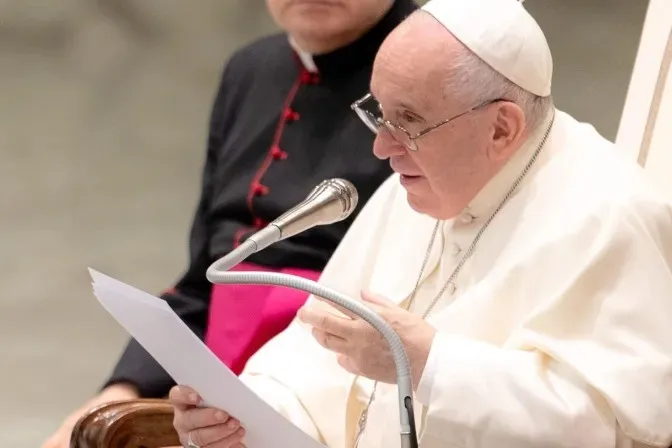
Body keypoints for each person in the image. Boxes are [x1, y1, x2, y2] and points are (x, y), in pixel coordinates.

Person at [168, 0, 672, 447]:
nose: (381, 148)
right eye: (378, 114)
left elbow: (609, 428)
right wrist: (242, 415)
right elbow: (310, 357)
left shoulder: (610, 216)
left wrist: (430, 364)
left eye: (407, 122)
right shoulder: (410, 190)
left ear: (502, 127)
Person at [42, 1, 418, 447]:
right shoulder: (251, 70)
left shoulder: (436, 67)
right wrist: (120, 390)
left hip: (344, 394)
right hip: (215, 389)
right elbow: (204, 279)